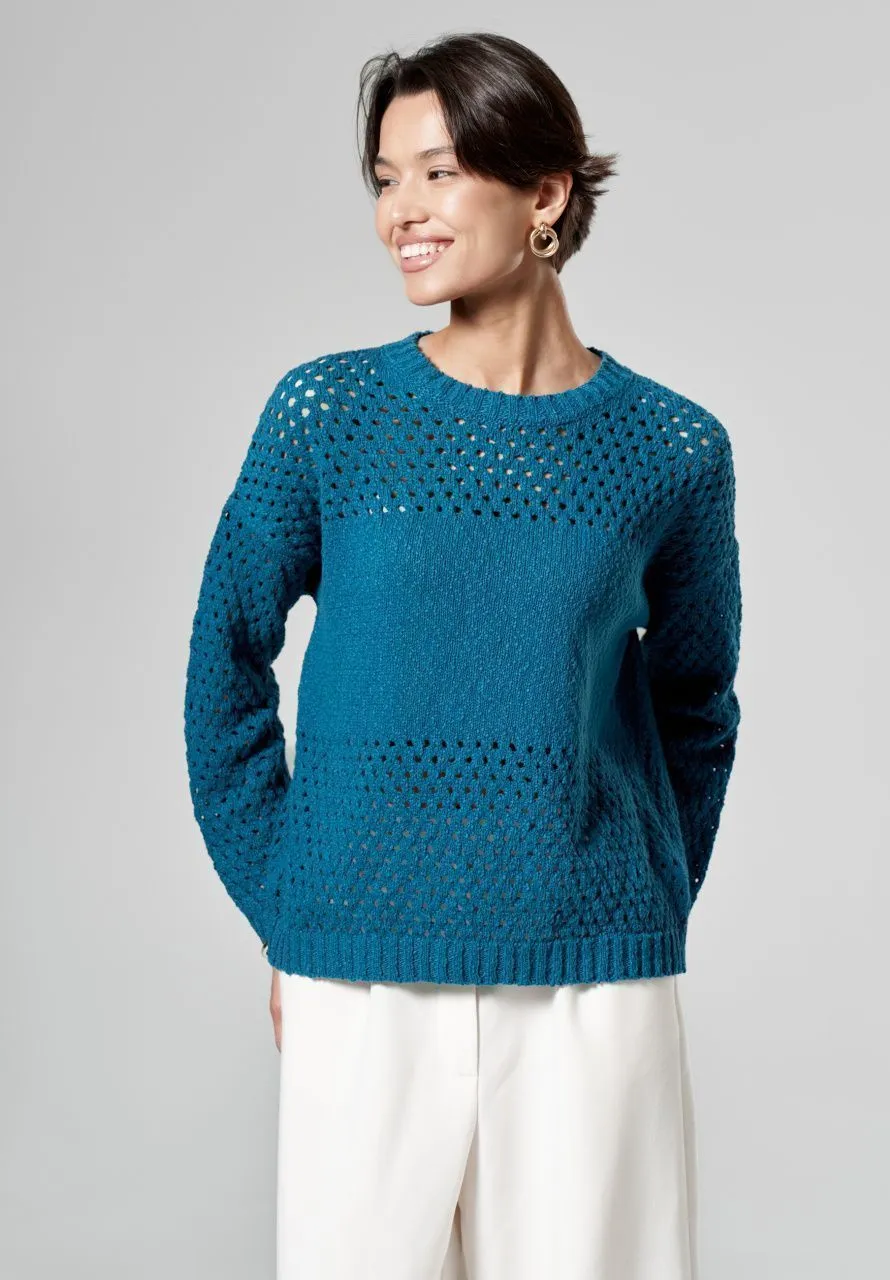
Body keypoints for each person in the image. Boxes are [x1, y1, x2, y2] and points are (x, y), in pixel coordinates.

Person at [183, 30, 742, 1280]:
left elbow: (698, 701)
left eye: (438, 172)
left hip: (591, 986)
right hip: (358, 968)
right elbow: (225, 657)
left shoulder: (673, 449)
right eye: (386, 179)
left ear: (544, 193)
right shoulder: (328, 414)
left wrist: (642, 889)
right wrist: (287, 895)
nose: (401, 212)